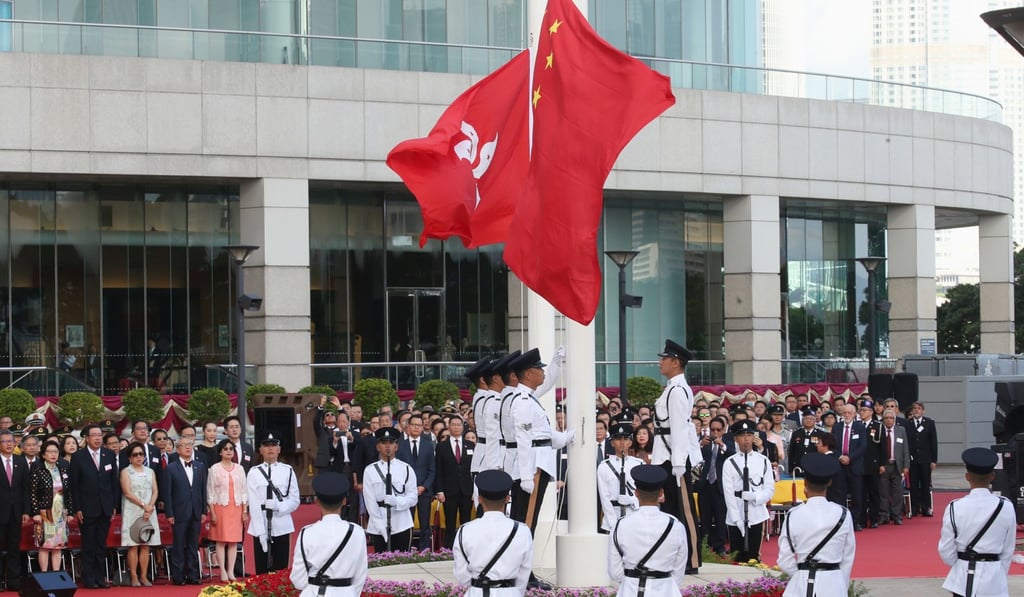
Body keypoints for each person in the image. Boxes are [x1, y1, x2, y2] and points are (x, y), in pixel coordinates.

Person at [509, 347, 572, 539]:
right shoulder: (523, 401)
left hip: (539, 464)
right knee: (526, 521)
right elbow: (524, 439)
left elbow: (541, 434)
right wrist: (527, 476)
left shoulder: (529, 397)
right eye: (540, 369)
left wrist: (556, 363)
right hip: (533, 467)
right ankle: (522, 568)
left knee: (530, 520)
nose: (543, 372)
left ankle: (524, 567)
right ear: (528, 374)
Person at [651, 339, 702, 573]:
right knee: (670, 509)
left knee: (684, 510)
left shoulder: (678, 390)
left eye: (664, 359)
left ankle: (692, 560)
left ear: (676, 362)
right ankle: (676, 557)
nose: (660, 362)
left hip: (674, 458)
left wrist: (679, 462)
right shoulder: (672, 387)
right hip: (666, 456)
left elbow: (680, 428)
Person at [938, 447, 1017, 597]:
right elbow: (1008, 549)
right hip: (994, 579)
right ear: (992, 476)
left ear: (967, 477)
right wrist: (998, 571)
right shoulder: (1005, 506)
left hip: (963, 580)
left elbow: (946, 550)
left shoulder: (955, 507)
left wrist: (961, 564)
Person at [777, 452, 856, 597]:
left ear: (805, 483)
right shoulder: (843, 514)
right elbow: (847, 557)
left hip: (801, 584)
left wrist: (802, 574)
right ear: (830, 482)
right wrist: (839, 584)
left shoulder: (793, 515)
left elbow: (784, 560)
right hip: (834, 583)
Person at [607, 465, 688, 597]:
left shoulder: (620, 525)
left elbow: (615, 573)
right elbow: (679, 571)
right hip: (666, 590)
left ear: (636, 493)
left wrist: (632, 579)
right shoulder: (676, 526)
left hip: (630, 590)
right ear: (661, 493)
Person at [453, 470, 533, 597]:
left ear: (480, 498)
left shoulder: (465, 530)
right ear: (508, 498)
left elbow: (461, 573)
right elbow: (524, 572)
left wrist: (476, 586)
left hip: (476, 592)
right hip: (511, 593)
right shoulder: (522, 531)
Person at [290, 472, 367, 597]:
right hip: (346, 593)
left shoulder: (306, 533)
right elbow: (360, 575)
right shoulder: (357, 532)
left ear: (317, 501)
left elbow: (298, 579)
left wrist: (314, 586)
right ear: (344, 501)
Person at [69, 423, 120, 589]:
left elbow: (114, 481)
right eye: (94, 435)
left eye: (100, 435)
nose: (98, 438)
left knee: (101, 544)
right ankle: (88, 578)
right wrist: (77, 508)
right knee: (88, 544)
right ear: (87, 438)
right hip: (87, 508)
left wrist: (113, 504)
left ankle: (100, 577)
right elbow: (74, 485)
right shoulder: (78, 457)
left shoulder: (109, 454)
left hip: (105, 506)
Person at [247, 432, 300, 575]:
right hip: (261, 523)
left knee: (281, 569)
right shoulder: (254, 472)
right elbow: (253, 503)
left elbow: (295, 499)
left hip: (282, 522)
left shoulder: (287, 470)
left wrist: (279, 507)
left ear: (279, 449)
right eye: (266, 446)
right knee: (262, 571)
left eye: (273, 445)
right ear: (261, 450)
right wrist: (260, 532)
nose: (270, 449)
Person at [721, 419, 774, 563]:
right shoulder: (729, 462)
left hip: (756, 512)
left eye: (749, 435)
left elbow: (769, 488)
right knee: (737, 557)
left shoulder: (763, 461)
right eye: (742, 435)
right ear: (736, 439)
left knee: (753, 557)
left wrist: (756, 497)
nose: (746, 439)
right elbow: (728, 493)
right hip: (736, 511)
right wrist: (737, 519)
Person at [363, 427, 418, 552]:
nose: (388, 446)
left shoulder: (406, 468)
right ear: (378, 446)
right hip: (379, 522)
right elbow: (369, 501)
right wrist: (380, 525)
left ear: (396, 446)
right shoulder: (370, 470)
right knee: (382, 564)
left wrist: (397, 502)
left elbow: (413, 497)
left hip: (401, 521)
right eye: (383, 443)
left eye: (391, 443)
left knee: (402, 561)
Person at [163, 437, 208, 585]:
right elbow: (167, 493)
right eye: (184, 445)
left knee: (193, 545)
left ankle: (193, 575)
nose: (188, 448)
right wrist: (169, 513)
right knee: (179, 545)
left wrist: (203, 511)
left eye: (190, 445)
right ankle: (178, 576)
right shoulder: (171, 468)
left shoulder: (200, 466)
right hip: (178, 512)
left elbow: (202, 490)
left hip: (195, 511)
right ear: (178, 449)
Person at [207, 438, 249, 580]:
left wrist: (244, 511)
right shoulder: (215, 468)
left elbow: (244, 491)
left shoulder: (240, 468)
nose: (229, 451)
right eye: (225, 449)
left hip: (236, 507)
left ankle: (231, 571)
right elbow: (210, 492)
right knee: (221, 540)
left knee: (233, 541)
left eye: (231, 449)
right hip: (220, 507)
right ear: (220, 452)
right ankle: (223, 571)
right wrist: (211, 511)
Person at [120, 440, 160, 586]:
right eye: (135, 454)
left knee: (145, 544)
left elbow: (155, 490)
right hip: (133, 509)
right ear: (130, 457)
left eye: (141, 454)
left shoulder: (150, 471)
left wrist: (150, 506)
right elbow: (127, 493)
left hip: (149, 510)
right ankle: (134, 576)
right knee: (133, 544)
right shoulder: (126, 471)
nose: (139, 457)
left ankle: (144, 576)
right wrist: (144, 505)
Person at [29, 439, 72, 572]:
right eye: (50, 452)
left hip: (60, 513)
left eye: (55, 451)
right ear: (43, 455)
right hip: (45, 512)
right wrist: (35, 512)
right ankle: (44, 574)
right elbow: (32, 493)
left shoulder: (63, 469)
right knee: (45, 544)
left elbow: (68, 492)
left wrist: (70, 512)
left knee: (58, 545)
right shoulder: (38, 470)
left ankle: (56, 573)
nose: (53, 454)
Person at [396, 414, 436, 550]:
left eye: (419, 425)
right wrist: (408, 488)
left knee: (425, 523)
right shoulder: (400, 445)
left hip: (423, 491)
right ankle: (407, 549)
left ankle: (424, 550)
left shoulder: (428, 445)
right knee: (407, 522)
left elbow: (432, 470)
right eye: (414, 425)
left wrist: (424, 487)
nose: (416, 427)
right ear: (408, 426)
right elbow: (398, 469)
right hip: (406, 492)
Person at [434, 416, 475, 549]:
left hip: (466, 490)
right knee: (450, 522)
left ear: (463, 427)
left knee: (466, 522)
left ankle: (466, 547)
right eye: (453, 425)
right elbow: (438, 470)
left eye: (459, 425)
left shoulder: (470, 445)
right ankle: (448, 549)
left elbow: (474, 470)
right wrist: (439, 490)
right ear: (449, 427)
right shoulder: (441, 447)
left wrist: (475, 490)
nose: (456, 427)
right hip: (449, 491)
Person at [697, 416, 733, 555]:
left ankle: (720, 547)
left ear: (723, 430)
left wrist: (721, 445)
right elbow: (693, 458)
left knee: (720, 517)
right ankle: (705, 546)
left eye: (718, 430)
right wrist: (700, 445)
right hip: (705, 484)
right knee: (705, 517)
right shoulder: (703, 444)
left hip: (720, 485)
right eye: (713, 430)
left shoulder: (728, 443)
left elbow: (732, 455)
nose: (715, 432)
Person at [598, 422, 642, 533]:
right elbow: (604, 497)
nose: (622, 442)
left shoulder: (639, 464)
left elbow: (643, 492)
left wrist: (632, 500)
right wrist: (614, 524)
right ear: (612, 443)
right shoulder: (604, 466)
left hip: (634, 515)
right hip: (612, 519)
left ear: (631, 442)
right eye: (618, 439)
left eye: (626, 439)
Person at [0, 429, 29, 590]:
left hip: (17, 512)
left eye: (11, 441)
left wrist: (26, 511)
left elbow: (25, 489)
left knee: (14, 548)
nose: (9, 444)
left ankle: (13, 581)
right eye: (4, 441)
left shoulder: (20, 461)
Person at [832, 403, 866, 531]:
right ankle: (841, 522)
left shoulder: (860, 427)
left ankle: (855, 521)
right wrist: (840, 456)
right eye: (844, 413)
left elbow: (863, 447)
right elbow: (833, 446)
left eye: (849, 413)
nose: (846, 415)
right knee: (839, 495)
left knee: (857, 496)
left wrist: (850, 457)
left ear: (854, 414)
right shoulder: (837, 427)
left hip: (855, 465)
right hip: (840, 466)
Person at [873, 409, 909, 525]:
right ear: (883, 420)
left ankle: (896, 515)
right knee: (883, 492)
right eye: (886, 418)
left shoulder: (901, 430)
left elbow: (905, 449)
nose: (889, 420)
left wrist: (906, 466)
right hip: (884, 466)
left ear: (894, 419)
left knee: (897, 492)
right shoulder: (879, 430)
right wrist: (879, 465)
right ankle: (884, 515)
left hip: (897, 465)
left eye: (891, 418)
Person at [906, 401, 938, 517]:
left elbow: (933, 442)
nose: (916, 410)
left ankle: (926, 508)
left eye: (919, 408)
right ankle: (914, 508)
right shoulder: (907, 423)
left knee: (925, 484)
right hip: (912, 460)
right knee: (914, 485)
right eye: (914, 408)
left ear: (923, 410)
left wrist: (934, 460)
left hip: (926, 459)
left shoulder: (929, 423)